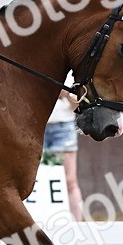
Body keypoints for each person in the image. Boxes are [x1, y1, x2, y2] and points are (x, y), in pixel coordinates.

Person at [43, 80, 83, 220]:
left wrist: (65, 94)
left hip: (63, 129)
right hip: (39, 127)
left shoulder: (71, 76)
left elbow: (77, 106)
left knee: (69, 180)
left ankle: (78, 226)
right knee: (41, 180)